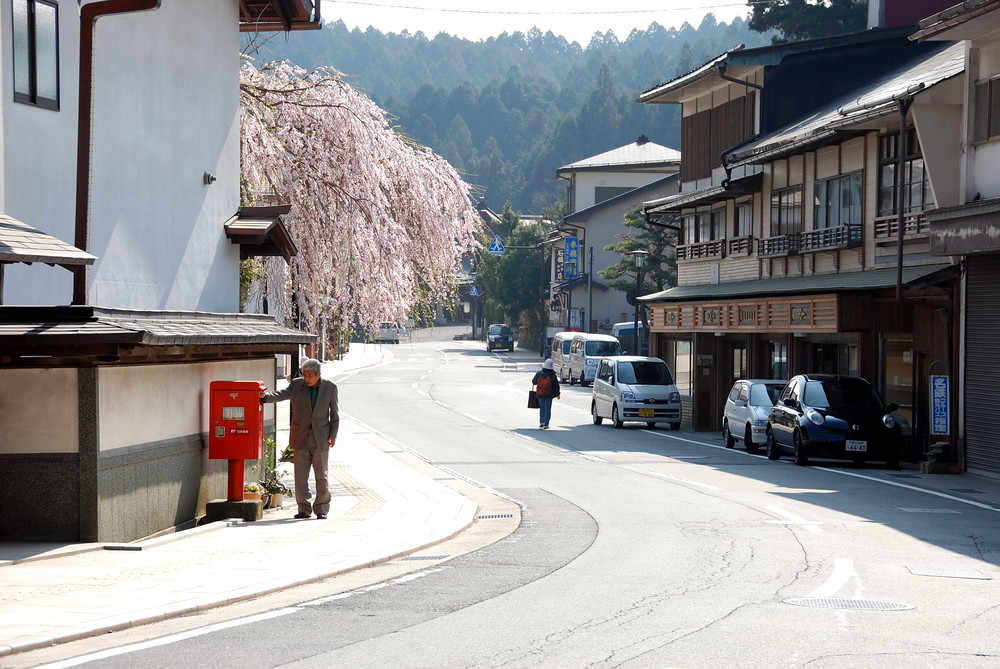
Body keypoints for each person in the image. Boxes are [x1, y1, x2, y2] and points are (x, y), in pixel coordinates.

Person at [260, 358, 339, 519]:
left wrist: (333, 434)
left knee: (321, 475)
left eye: (310, 375)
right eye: (304, 374)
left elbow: (335, 415)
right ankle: (303, 508)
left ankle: (321, 508)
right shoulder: (296, 385)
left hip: (321, 438)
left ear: (318, 374)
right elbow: (281, 394)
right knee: (300, 476)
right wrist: (265, 397)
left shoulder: (330, 388)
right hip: (301, 437)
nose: (306, 378)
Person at [531, 358, 561, 429]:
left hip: (540, 393)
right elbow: (556, 385)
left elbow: (533, 382)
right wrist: (558, 394)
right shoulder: (552, 375)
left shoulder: (539, 373)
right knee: (548, 408)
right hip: (549, 394)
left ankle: (541, 422)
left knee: (542, 407)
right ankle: (546, 424)